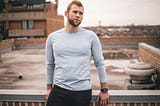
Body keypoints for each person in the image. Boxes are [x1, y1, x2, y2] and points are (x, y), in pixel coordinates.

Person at [45, 0, 109, 106]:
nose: (78, 15)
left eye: (81, 13)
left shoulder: (91, 37)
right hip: (59, 90)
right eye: (75, 12)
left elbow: (100, 63)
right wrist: (48, 88)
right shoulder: (53, 38)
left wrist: (104, 90)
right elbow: (50, 64)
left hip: (82, 92)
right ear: (66, 13)